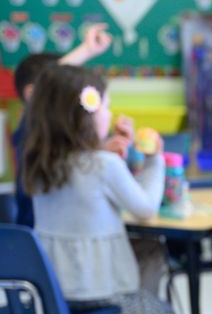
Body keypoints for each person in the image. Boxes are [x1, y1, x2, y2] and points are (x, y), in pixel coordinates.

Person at [21, 65, 173, 314]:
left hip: (53, 297)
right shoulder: (103, 165)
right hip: (103, 298)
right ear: (85, 116)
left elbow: (79, 171)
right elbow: (146, 207)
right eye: (106, 106)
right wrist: (154, 161)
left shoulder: (39, 164)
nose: (110, 113)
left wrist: (103, 148)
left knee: (149, 250)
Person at [11, 23, 130, 228]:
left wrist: (101, 149)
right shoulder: (31, 128)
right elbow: (48, 84)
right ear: (34, 94)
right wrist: (87, 50)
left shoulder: (54, 138)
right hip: (48, 245)